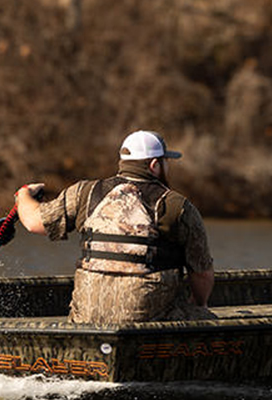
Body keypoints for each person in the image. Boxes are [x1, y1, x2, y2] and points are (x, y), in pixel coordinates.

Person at [14, 129, 214, 324]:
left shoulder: (85, 193)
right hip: (150, 318)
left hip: (86, 316)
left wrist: (24, 194)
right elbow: (202, 273)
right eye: (166, 162)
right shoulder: (177, 206)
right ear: (155, 165)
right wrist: (199, 304)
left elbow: (33, 222)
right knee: (207, 319)